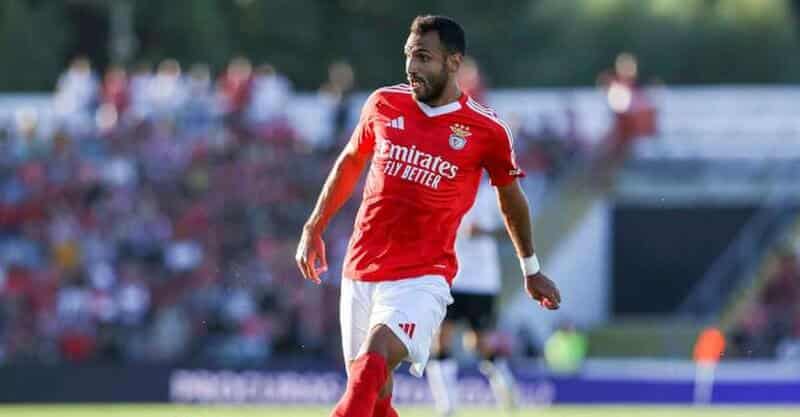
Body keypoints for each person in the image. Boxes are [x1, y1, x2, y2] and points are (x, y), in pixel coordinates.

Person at [296, 15, 561, 417]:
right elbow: (351, 161)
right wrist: (314, 225)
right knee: (376, 397)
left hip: (423, 278)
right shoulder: (384, 103)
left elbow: (511, 198)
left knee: (373, 363)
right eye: (408, 55)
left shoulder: (486, 130)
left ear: (454, 62)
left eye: (424, 57)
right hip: (361, 270)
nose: (412, 66)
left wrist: (530, 267)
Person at [426, 179, 517, 415]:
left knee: (479, 343)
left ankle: (508, 394)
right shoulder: (444, 185)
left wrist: (483, 231)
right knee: (440, 338)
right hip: (451, 277)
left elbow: (512, 227)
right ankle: (447, 406)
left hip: (483, 281)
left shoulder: (492, 191)